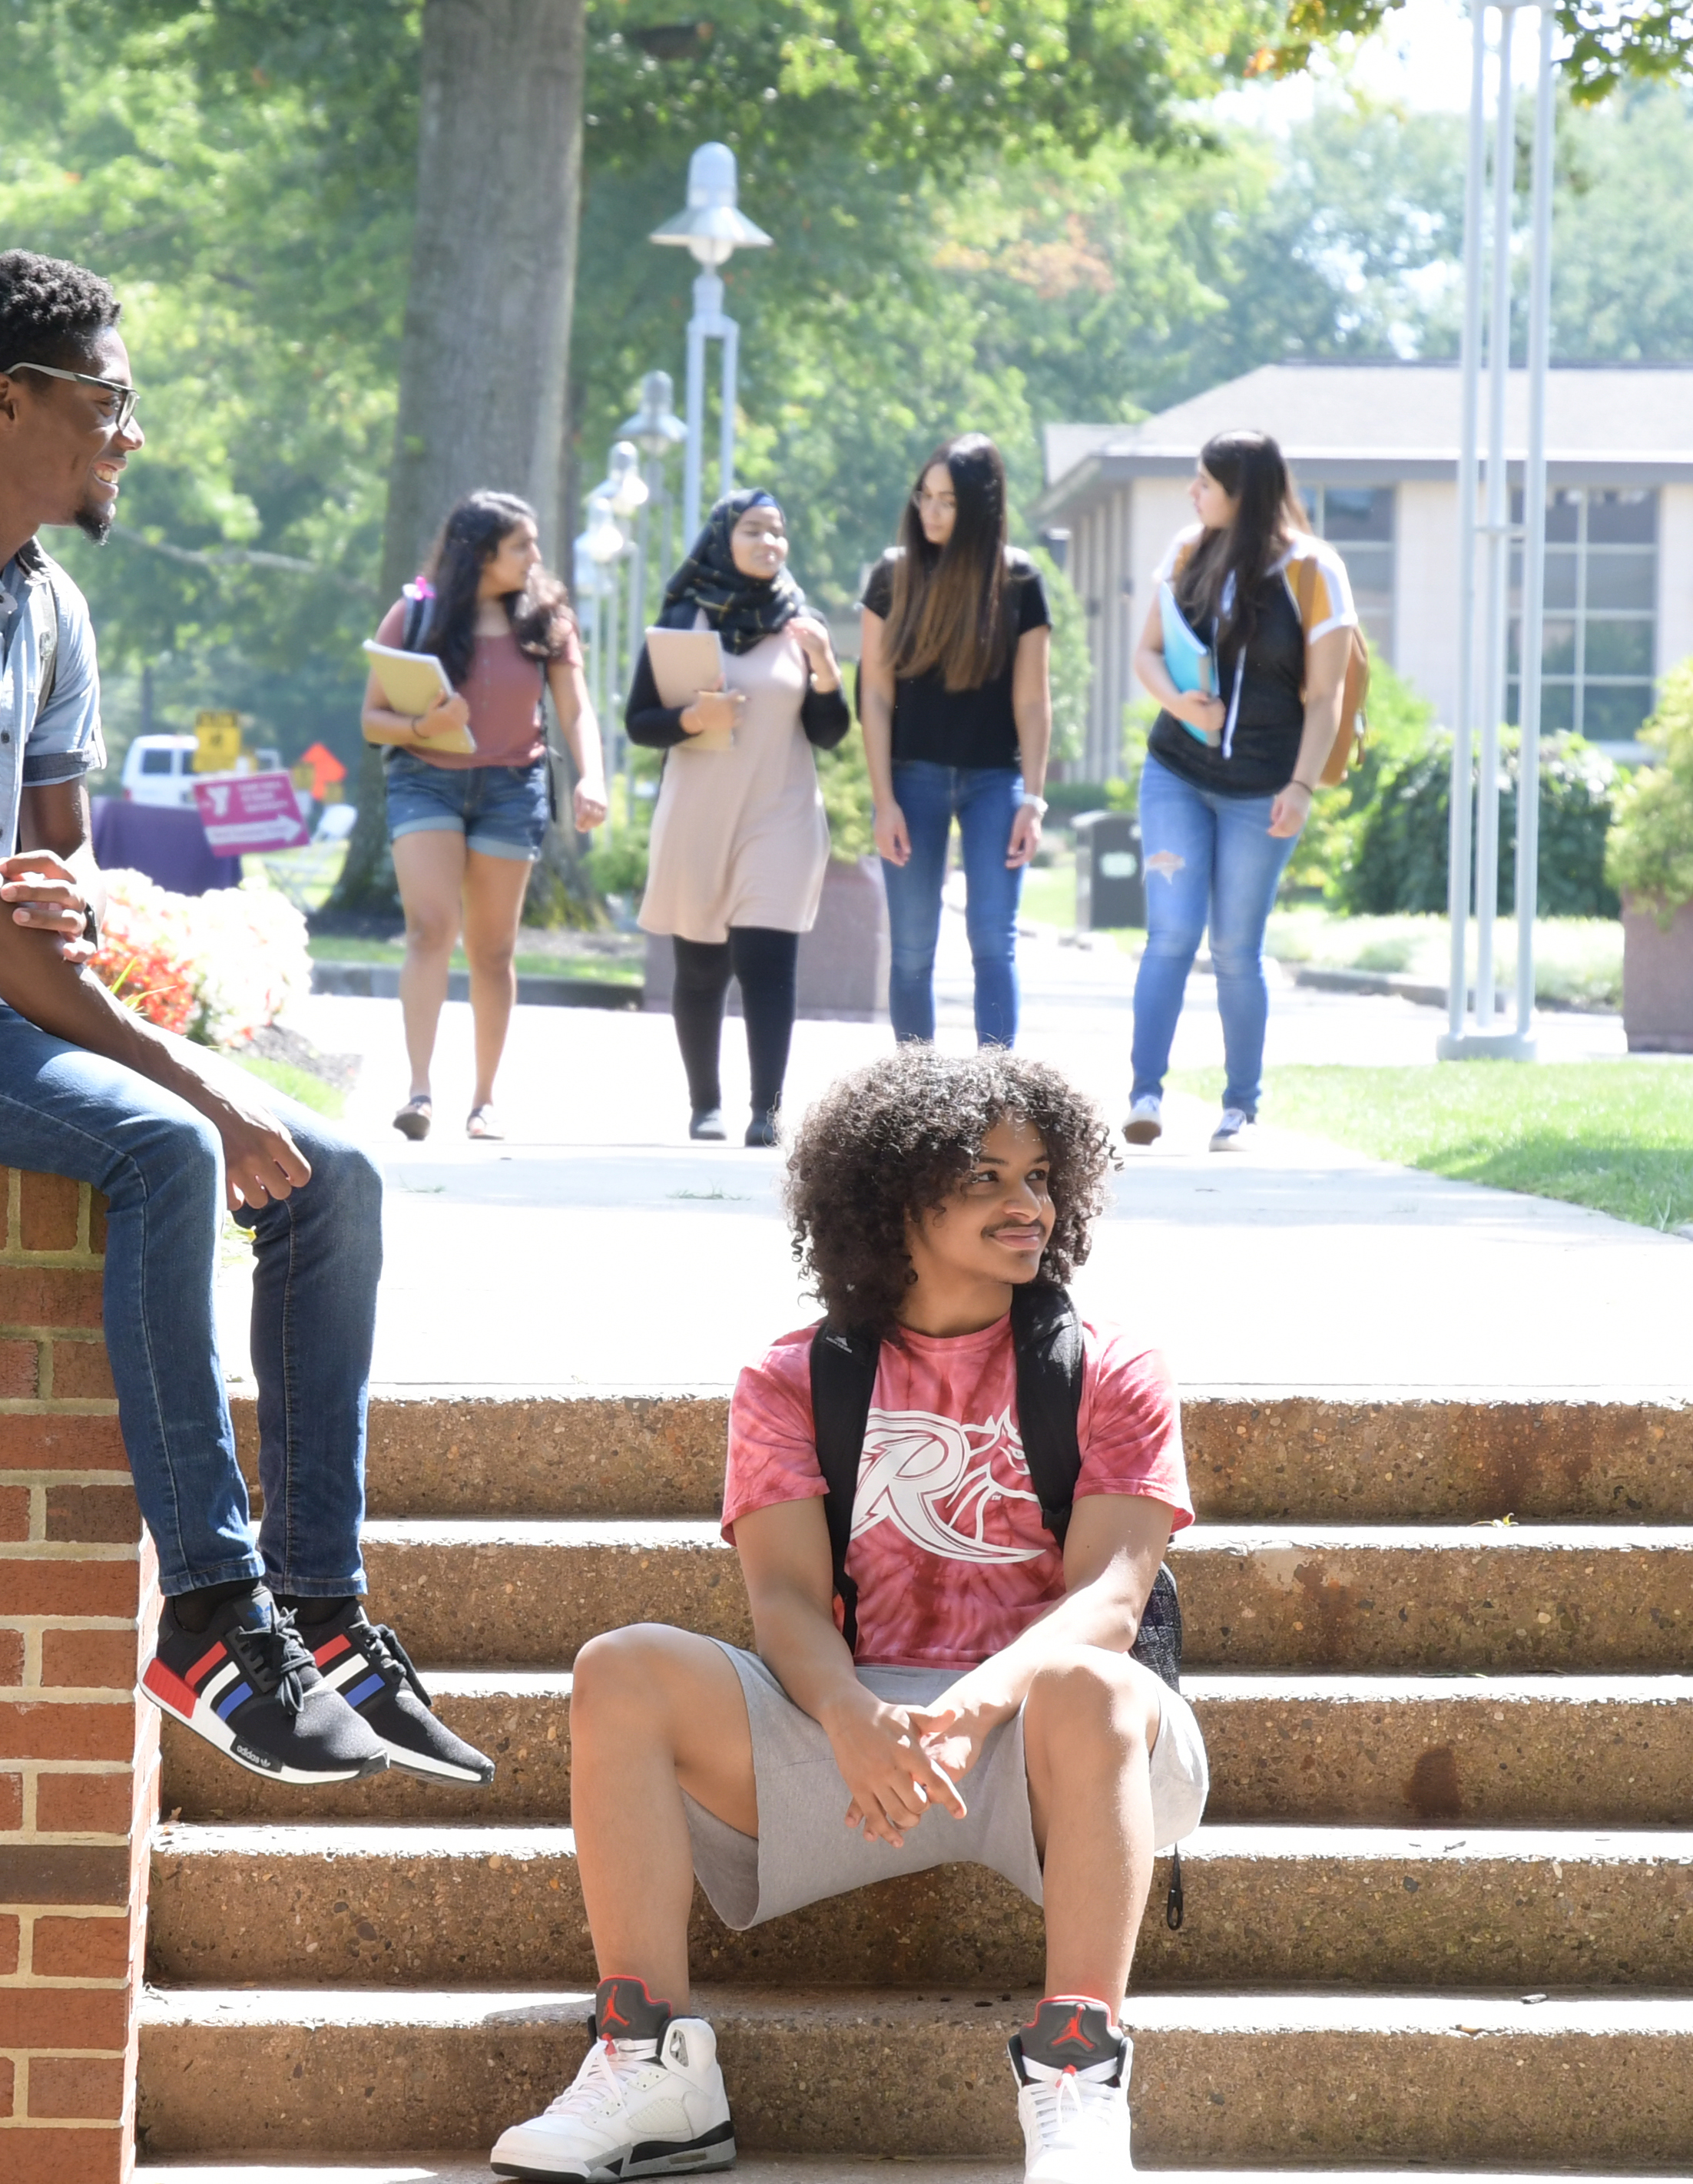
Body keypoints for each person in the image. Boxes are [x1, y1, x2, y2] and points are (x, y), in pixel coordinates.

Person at [0, 250, 492, 1792]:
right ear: (8, 401)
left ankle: (320, 1613)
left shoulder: (40, 606)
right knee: (166, 1148)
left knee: (334, 1175)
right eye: (109, 398)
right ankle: (208, 1614)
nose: (130, 432)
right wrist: (200, 1090)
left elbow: (43, 866)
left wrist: (64, 888)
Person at [488, 1049, 1201, 2184]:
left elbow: (1111, 1598)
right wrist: (850, 1711)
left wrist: (970, 1708)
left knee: (1090, 1681)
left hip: (1060, 1750)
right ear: (892, 1202)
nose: (1030, 1206)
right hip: (857, 1736)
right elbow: (780, 1596)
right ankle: (651, 2065)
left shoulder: (1110, 1367)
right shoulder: (796, 1376)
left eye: (1041, 1176)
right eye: (987, 1179)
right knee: (622, 1667)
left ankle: (1077, 2076)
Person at [1124, 431, 1360, 1154]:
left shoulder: (1314, 570)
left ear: (1243, 491)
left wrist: (1300, 786)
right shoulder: (1188, 551)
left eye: (1205, 482)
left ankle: (1239, 1105)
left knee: (1234, 947)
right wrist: (1181, 706)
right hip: (1176, 775)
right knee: (1170, 932)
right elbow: (1148, 653)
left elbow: (1325, 697)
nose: (1192, 494)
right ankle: (1144, 1093)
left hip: (1264, 787)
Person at [362, 490, 611, 1143]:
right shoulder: (416, 614)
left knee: (493, 949)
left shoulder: (547, 618)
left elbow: (576, 708)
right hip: (425, 781)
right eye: (521, 545)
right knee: (430, 930)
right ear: (481, 553)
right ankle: (418, 1090)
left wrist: (594, 778)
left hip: (511, 786)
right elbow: (372, 718)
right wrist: (426, 723)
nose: (535, 556)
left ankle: (484, 1100)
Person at [632, 490, 846, 1148]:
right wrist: (695, 718)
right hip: (697, 815)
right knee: (700, 968)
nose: (769, 542)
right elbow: (641, 721)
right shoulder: (683, 617)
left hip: (779, 812)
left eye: (778, 532)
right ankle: (706, 1104)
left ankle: (767, 1111)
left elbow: (830, 733)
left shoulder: (800, 624)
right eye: (754, 530)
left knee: (767, 959)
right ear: (724, 537)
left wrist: (827, 670)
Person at [860, 435, 1053, 1051]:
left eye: (949, 501)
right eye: (927, 497)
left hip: (997, 781)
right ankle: (916, 1104)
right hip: (911, 777)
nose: (933, 513)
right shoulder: (892, 577)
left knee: (994, 942)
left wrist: (1036, 799)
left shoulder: (1020, 581)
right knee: (913, 947)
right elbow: (875, 696)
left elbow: (1031, 700)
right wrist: (883, 799)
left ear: (981, 508)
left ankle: (996, 1100)